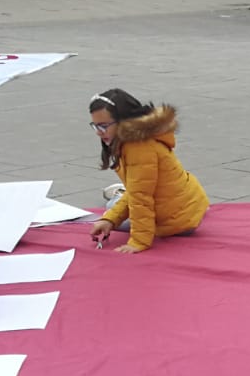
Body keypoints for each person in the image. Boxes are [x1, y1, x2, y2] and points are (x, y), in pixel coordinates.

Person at [86, 89, 210, 254]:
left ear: (123, 121)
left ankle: (118, 194)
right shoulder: (134, 139)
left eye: (104, 126)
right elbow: (138, 190)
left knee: (113, 207)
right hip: (185, 204)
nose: (98, 132)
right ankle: (119, 194)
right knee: (112, 211)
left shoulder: (138, 147)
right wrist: (110, 219)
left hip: (178, 220)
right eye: (95, 125)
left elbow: (140, 198)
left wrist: (138, 242)